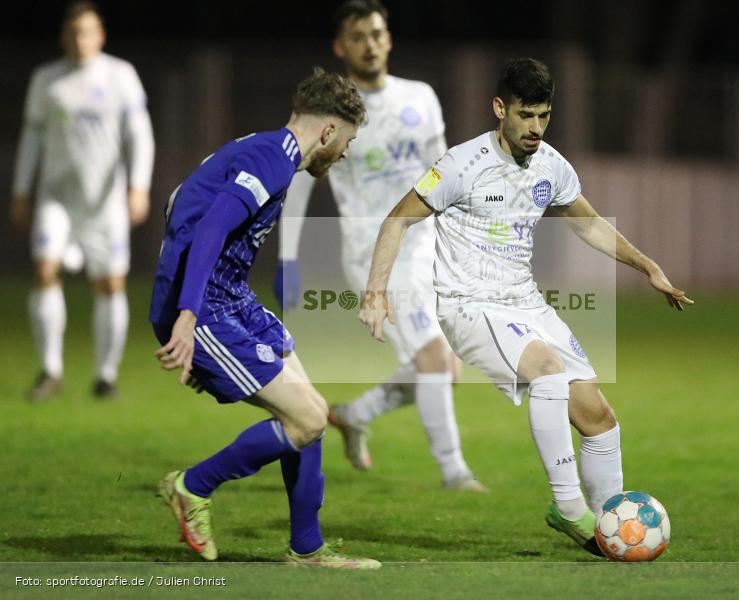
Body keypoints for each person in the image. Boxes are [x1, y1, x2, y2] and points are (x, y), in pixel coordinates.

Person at [359, 58, 693, 556]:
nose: (536, 127)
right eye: (526, 115)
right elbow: (396, 220)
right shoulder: (460, 166)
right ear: (500, 108)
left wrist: (646, 266)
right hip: (469, 305)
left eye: (544, 116)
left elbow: (590, 223)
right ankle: (568, 505)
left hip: (525, 302)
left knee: (599, 418)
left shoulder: (551, 165)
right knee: (550, 373)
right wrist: (375, 292)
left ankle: (608, 528)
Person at [150, 68, 378, 569]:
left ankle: (307, 549)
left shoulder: (262, 148)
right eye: (347, 142)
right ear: (328, 131)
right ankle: (193, 487)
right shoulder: (274, 160)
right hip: (207, 306)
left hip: (229, 298)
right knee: (308, 418)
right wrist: (186, 316)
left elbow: (180, 204)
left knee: (310, 413)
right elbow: (211, 226)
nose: (343, 155)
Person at [276, 0, 484, 491]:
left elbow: (443, 172)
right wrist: (286, 256)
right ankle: (455, 474)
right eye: (358, 36)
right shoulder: (329, 111)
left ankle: (354, 413)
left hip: (429, 246)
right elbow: (299, 182)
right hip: (375, 256)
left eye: (376, 33)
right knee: (435, 359)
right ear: (340, 47)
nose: (369, 44)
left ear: (388, 38)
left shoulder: (422, 97)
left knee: (443, 369)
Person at [10, 1, 155, 401]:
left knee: (109, 283)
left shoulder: (120, 75)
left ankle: (105, 376)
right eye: (73, 34)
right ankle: (50, 370)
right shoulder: (48, 80)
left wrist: (138, 186)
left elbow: (139, 134)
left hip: (104, 201)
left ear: (100, 36)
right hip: (56, 197)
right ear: (64, 38)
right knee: (44, 272)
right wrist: (22, 189)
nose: (80, 40)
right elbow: (33, 137)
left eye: (87, 32)